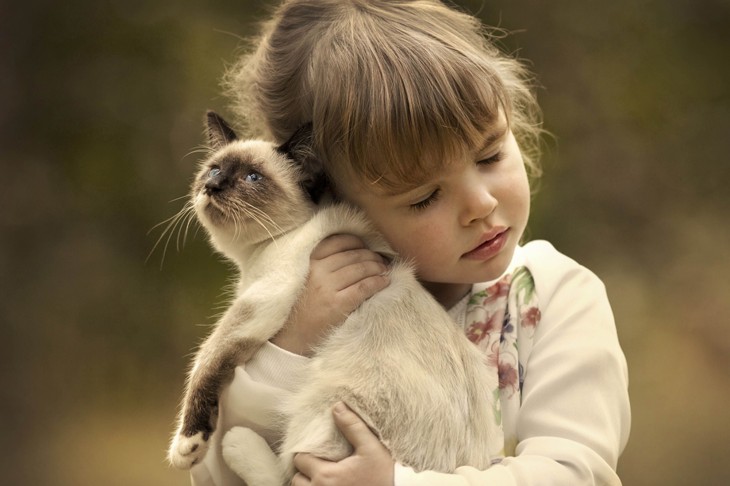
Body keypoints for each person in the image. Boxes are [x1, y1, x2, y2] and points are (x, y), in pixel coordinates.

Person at [191, 0, 631, 484]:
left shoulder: (554, 297)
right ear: (330, 198)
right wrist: (292, 343)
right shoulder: (314, 303)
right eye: (424, 197)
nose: (481, 204)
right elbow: (218, 472)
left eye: (490, 155)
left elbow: (574, 474)